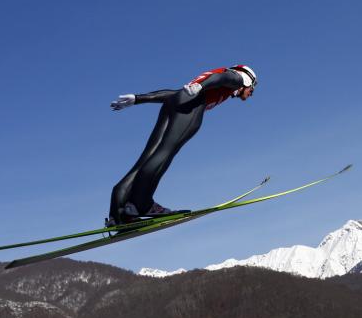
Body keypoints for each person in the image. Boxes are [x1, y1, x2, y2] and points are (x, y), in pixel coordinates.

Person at [107, 65, 258, 226]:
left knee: (147, 157)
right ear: (249, 80)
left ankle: (118, 212)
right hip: (192, 106)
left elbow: (175, 94)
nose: (250, 94)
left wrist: (138, 99)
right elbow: (223, 78)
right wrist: (202, 86)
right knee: (164, 154)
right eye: (252, 90)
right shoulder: (237, 78)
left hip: (176, 102)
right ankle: (140, 204)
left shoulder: (219, 87)